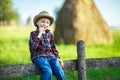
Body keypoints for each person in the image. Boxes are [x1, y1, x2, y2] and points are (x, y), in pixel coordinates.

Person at [29, 11, 66, 80]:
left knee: (59, 71)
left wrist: (58, 57)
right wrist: (39, 34)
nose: (45, 24)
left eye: (47, 22)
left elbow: (53, 47)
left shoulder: (50, 34)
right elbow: (34, 47)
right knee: (48, 71)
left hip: (51, 56)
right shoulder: (33, 34)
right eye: (43, 21)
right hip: (39, 57)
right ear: (37, 23)